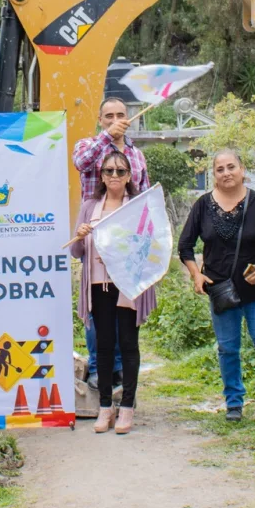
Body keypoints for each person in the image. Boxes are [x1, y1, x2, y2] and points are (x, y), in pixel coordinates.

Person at [179, 149, 255, 423]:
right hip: (221, 290)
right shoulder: (202, 205)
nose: (226, 173)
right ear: (213, 175)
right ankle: (234, 403)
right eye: (220, 169)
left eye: (231, 167)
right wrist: (196, 275)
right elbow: (185, 246)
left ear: (242, 169)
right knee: (228, 347)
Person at [71, 150, 157, 434]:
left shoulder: (138, 206)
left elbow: (150, 246)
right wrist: (81, 236)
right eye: (109, 171)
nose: (115, 176)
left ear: (130, 176)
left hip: (127, 285)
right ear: (101, 175)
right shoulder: (89, 206)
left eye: (121, 171)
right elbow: (75, 251)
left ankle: (128, 407)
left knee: (129, 345)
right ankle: (105, 407)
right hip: (98, 285)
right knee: (104, 346)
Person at [71, 96, 150, 387]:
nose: (115, 120)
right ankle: (98, 367)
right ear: (100, 120)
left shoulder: (137, 155)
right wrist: (108, 136)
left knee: (124, 307)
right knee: (97, 306)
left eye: (120, 115)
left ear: (128, 117)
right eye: (109, 116)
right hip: (95, 236)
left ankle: (119, 371)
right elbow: (81, 163)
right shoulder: (88, 145)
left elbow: (145, 194)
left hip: (127, 240)